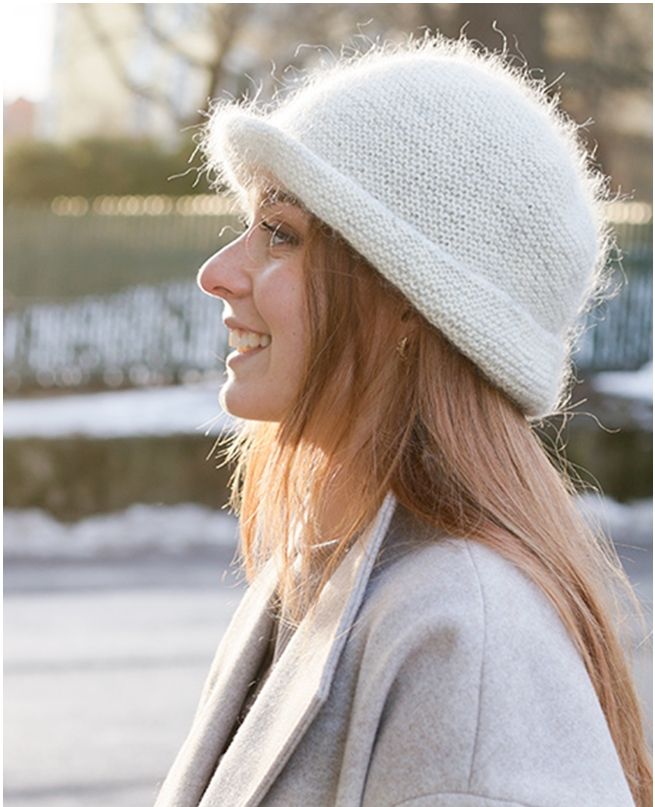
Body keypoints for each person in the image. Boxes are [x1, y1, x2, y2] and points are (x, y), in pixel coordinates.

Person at [154, 31, 651, 807]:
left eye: (280, 233)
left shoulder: (466, 649)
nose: (218, 273)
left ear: (413, 305)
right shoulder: (321, 577)